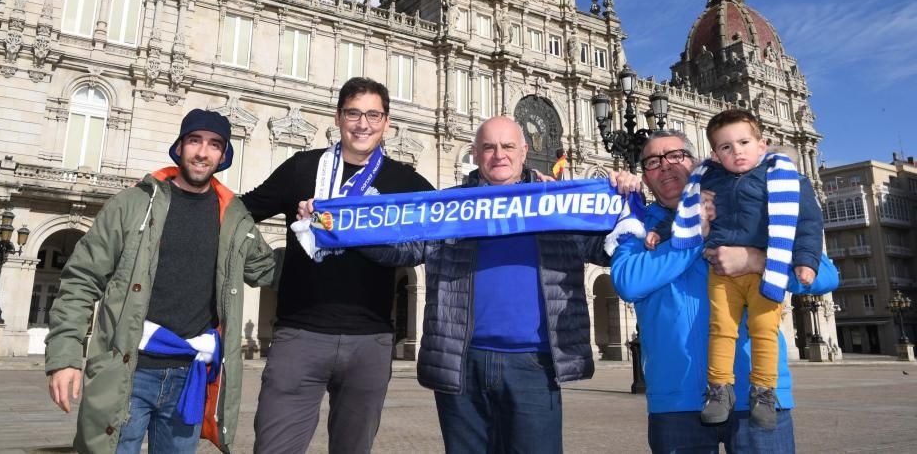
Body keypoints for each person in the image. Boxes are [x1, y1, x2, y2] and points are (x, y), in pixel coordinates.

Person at [346, 116, 628, 453]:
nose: (499, 155)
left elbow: (606, 250)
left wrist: (629, 201)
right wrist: (342, 225)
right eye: (489, 147)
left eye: (508, 146)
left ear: (524, 151)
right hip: (462, 362)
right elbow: (405, 249)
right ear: (475, 153)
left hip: (533, 364)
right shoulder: (449, 206)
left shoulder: (556, 202)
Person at [45, 109, 276, 454]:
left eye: (215, 145)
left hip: (190, 379)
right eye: (195, 141)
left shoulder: (234, 216)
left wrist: (311, 226)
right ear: (179, 146)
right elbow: (81, 279)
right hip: (129, 370)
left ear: (224, 155)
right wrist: (64, 357)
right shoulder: (132, 205)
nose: (203, 152)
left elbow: (266, 271)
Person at [610, 129, 838, 453]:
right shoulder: (636, 226)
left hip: (757, 393)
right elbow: (628, 282)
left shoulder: (746, 209)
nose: (665, 166)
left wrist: (756, 259)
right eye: (652, 162)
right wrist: (693, 238)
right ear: (645, 178)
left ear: (699, 163)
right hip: (676, 400)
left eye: (676, 156)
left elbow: (825, 274)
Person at [240, 77, 434, 454]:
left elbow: (452, 218)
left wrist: (533, 190)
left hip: (371, 341)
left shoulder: (405, 182)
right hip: (299, 335)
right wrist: (263, 266)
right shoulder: (301, 168)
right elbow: (243, 211)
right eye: (354, 113)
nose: (363, 123)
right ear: (338, 117)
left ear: (387, 123)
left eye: (373, 115)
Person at [666, 110, 822, 429]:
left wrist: (805, 261)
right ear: (713, 154)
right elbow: (689, 209)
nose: (736, 151)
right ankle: (719, 389)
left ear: (762, 145)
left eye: (744, 142)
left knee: (765, 329)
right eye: (726, 147)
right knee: (721, 327)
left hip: (771, 269)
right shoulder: (709, 181)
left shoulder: (786, 180)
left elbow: (808, 222)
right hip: (722, 273)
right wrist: (663, 228)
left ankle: (764, 392)